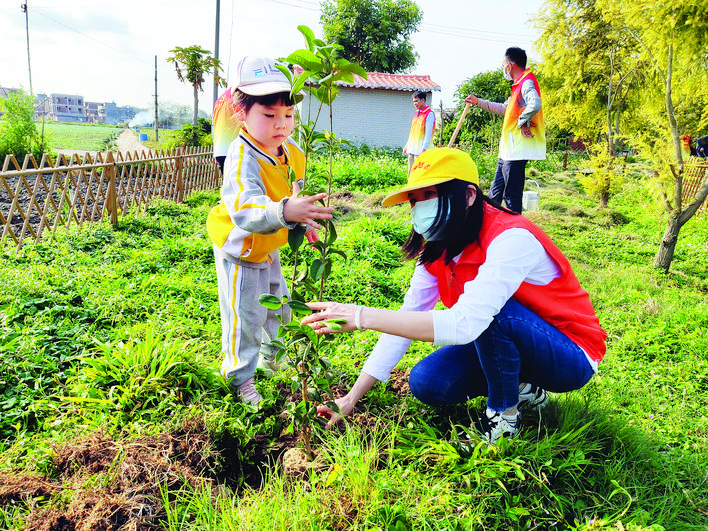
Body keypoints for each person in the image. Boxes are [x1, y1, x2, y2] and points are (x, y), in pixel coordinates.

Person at [302, 148, 606, 443]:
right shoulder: (437, 248)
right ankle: (524, 388)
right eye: (414, 199)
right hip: (512, 340)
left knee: (493, 316)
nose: (419, 207)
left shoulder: (511, 238)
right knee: (429, 382)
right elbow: (407, 319)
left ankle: (503, 420)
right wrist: (352, 397)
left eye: (430, 195)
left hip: (570, 355)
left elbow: (466, 324)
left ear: (469, 196)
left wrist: (361, 316)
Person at [206, 56, 334, 406]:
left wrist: (302, 217)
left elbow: (295, 191)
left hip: (270, 242)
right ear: (240, 111)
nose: (281, 125)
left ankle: (271, 359)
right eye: (269, 115)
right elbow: (245, 207)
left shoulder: (290, 150)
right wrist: (284, 211)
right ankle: (238, 377)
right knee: (244, 314)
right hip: (242, 248)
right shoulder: (241, 154)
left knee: (279, 306)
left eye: (289, 115)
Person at [464, 47, 545, 213]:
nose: (503, 69)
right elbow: (504, 109)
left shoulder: (526, 82)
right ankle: (489, 227)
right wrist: (478, 101)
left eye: (503, 65)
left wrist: (523, 121)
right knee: (495, 194)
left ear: (511, 64)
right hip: (508, 150)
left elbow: (535, 103)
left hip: (517, 151)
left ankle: (514, 230)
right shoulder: (517, 86)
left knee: (511, 197)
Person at [402, 90, 436, 174]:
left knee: (419, 173)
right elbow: (412, 132)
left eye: (416, 101)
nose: (415, 103)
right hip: (412, 149)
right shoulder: (416, 113)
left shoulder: (429, 114)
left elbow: (428, 134)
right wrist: (406, 146)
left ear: (423, 100)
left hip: (420, 150)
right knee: (410, 172)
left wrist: (424, 149)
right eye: (413, 101)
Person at [212, 87, 242, 174]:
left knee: (227, 184)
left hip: (220, 149)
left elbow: (215, 125)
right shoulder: (240, 96)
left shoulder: (219, 100)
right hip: (236, 149)